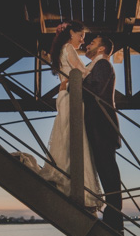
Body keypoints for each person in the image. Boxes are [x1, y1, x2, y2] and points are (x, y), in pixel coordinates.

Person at [39, 21, 103, 210]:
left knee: (66, 135)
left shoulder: (61, 50)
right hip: (71, 95)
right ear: (71, 33)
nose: (83, 40)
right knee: (76, 137)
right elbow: (81, 72)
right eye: (81, 35)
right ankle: (78, 189)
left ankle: (66, 180)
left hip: (64, 94)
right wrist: (98, 61)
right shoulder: (68, 48)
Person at [82, 34, 123, 232]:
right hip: (98, 126)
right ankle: (113, 218)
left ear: (101, 49)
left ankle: (114, 220)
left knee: (108, 173)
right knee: (106, 172)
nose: (88, 44)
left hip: (102, 126)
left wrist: (74, 83)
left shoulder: (103, 65)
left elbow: (94, 89)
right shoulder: (95, 66)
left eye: (92, 42)